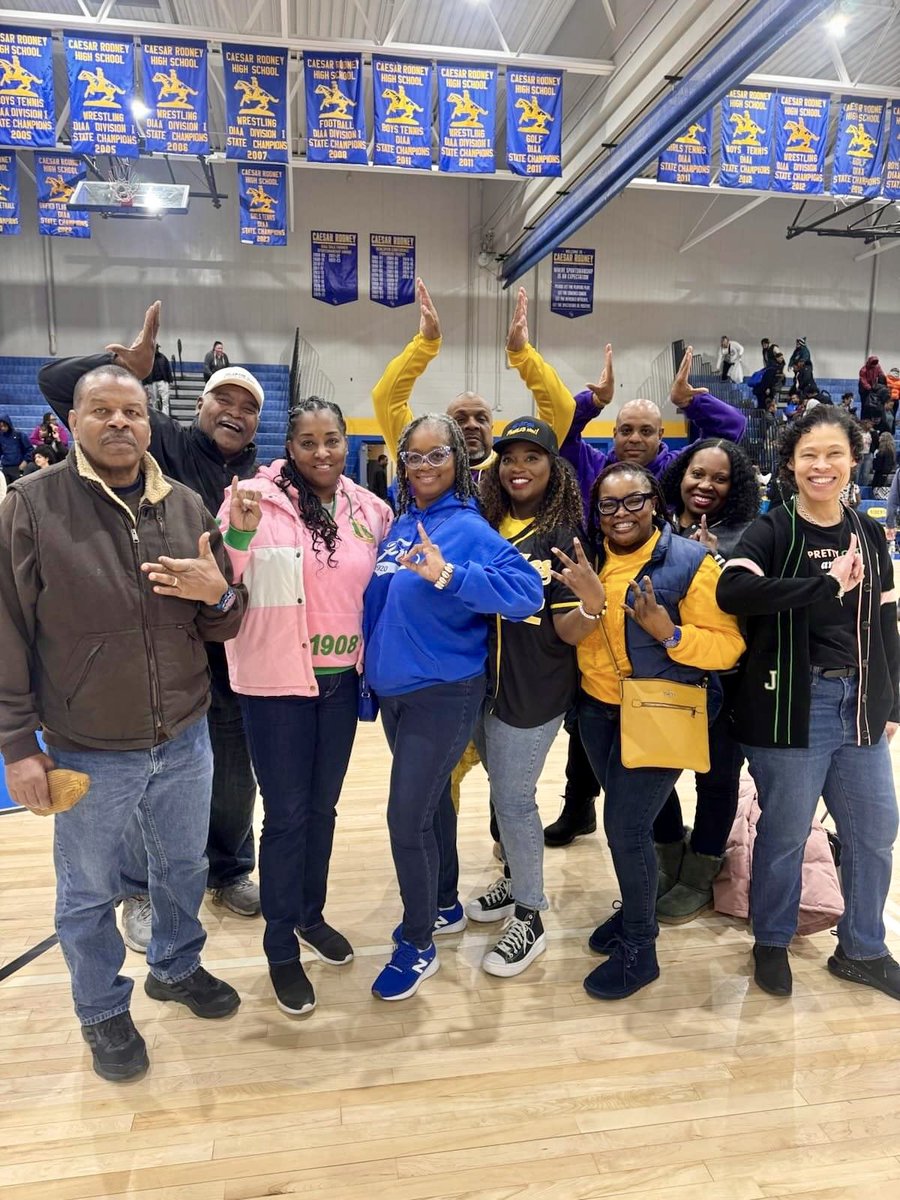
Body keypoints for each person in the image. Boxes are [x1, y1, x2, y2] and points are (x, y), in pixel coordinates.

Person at [0, 365, 246, 1082]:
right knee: (87, 891)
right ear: (73, 421)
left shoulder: (188, 506)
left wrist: (220, 595)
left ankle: (176, 965)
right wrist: (18, 746)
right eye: (101, 410)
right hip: (87, 744)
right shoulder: (31, 506)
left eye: (132, 411)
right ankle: (102, 1008)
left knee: (184, 867)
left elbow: (226, 622)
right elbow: (7, 631)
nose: (119, 423)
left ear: (149, 421)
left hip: (183, 731)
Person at [38, 302, 265, 948]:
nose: (233, 411)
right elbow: (58, 387)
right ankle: (136, 890)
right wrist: (122, 364)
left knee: (231, 776)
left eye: (246, 406)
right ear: (199, 408)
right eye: (222, 398)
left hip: (232, 648)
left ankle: (231, 870)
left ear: (256, 424)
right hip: (154, 653)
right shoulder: (157, 438)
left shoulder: (264, 475)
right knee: (146, 779)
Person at [506, 311, 747, 846]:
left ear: (664, 436)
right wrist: (593, 399)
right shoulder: (591, 466)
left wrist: (691, 399)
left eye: (646, 430)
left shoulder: (678, 468)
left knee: (657, 740)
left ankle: (662, 840)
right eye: (626, 428)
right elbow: (561, 430)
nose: (634, 438)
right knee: (588, 721)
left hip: (659, 619)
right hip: (593, 607)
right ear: (612, 433)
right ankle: (580, 808)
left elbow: (730, 435)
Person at [717, 405, 900, 1001]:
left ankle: (863, 949)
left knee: (874, 831)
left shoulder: (869, 532)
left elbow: (888, 622)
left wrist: (894, 702)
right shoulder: (774, 529)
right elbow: (733, 590)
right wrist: (824, 586)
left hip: (862, 701)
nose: (822, 466)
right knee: (787, 832)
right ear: (791, 465)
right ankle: (771, 940)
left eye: (834, 455)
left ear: (853, 460)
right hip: (795, 703)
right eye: (809, 456)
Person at [218, 398, 392, 1015]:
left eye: (332, 440)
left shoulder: (371, 509)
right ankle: (278, 946)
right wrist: (236, 530)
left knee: (324, 808)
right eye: (308, 442)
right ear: (290, 447)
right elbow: (224, 580)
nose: (321, 452)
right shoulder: (253, 501)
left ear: (347, 443)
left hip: (341, 683)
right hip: (276, 685)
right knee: (287, 815)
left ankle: (310, 916)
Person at [363, 413, 544, 1001]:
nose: (424, 466)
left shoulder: (469, 528)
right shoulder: (401, 524)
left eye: (437, 455)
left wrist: (450, 576)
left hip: (445, 694)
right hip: (398, 696)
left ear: (459, 462)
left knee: (404, 817)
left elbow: (526, 595)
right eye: (413, 457)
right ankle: (442, 905)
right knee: (431, 804)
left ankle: (417, 946)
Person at [551, 462, 744, 999]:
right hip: (596, 711)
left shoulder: (691, 562)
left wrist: (671, 633)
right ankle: (636, 914)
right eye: (608, 505)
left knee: (625, 828)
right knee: (630, 822)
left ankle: (641, 947)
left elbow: (728, 647)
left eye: (633, 501)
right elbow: (576, 636)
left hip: (660, 710)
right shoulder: (587, 560)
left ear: (655, 502)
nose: (620, 515)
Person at [465, 416, 584, 976]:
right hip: (480, 685)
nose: (519, 468)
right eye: (509, 457)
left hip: (535, 689)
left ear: (552, 467)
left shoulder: (563, 536)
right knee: (501, 791)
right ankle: (514, 879)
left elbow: (566, 630)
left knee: (514, 799)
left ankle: (531, 916)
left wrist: (590, 604)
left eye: (532, 457)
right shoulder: (482, 523)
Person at [651, 439, 760, 922]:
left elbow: (751, 614)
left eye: (720, 478)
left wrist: (712, 568)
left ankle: (700, 872)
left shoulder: (750, 538)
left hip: (723, 682)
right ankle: (669, 856)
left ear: (734, 488)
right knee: (654, 776)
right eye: (698, 473)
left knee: (716, 781)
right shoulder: (655, 524)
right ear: (681, 474)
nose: (706, 485)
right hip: (661, 678)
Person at [0, 414, 31, 484]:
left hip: (18, 466)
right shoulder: (0, 437)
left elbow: (30, 449)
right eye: (1, 426)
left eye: (4, 426)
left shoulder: (19, 435)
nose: (2, 428)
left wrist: (25, 461)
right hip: (5, 467)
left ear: (8, 424)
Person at [143, 343, 174, 412]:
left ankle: (165, 417)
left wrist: (170, 381)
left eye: (156, 348)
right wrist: (144, 383)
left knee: (165, 400)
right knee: (154, 401)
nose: (156, 350)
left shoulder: (163, 357)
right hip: (151, 382)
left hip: (162, 381)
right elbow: (144, 370)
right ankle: (157, 417)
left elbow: (168, 369)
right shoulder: (147, 358)